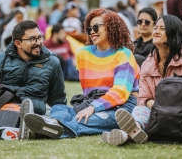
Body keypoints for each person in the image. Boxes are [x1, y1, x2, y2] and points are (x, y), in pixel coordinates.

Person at [21, 8, 140, 140]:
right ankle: (53, 123)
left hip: (121, 107)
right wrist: (90, 107)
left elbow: (120, 92)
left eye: (96, 27)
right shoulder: (83, 54)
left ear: (111, 27)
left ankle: (43, 130)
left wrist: (93, 108)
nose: (92, 32)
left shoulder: (123, 54)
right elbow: (88, 91)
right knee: (60, 108)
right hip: (92, 103)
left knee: (85, 120)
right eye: (89, 29)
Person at [0, 20, 67, 140]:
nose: (38, 43)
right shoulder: (0, 59)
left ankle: (39, 125)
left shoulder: (52, 63)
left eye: (39, 37)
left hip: (33, 110)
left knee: (60, 113)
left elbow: (58, 101)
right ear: (18, 43)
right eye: (32, 39)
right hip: (1, 107)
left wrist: (56, 119)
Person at [105, 15, 182, 146]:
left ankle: (127, 134)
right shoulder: (147, 64)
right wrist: (159, 109)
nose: (156, 31)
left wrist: (170, 110)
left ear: (174, 33)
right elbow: (143, 98)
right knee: (139, 110)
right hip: (156, 112)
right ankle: (131, 131)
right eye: (156, 28)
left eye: (162, 28)